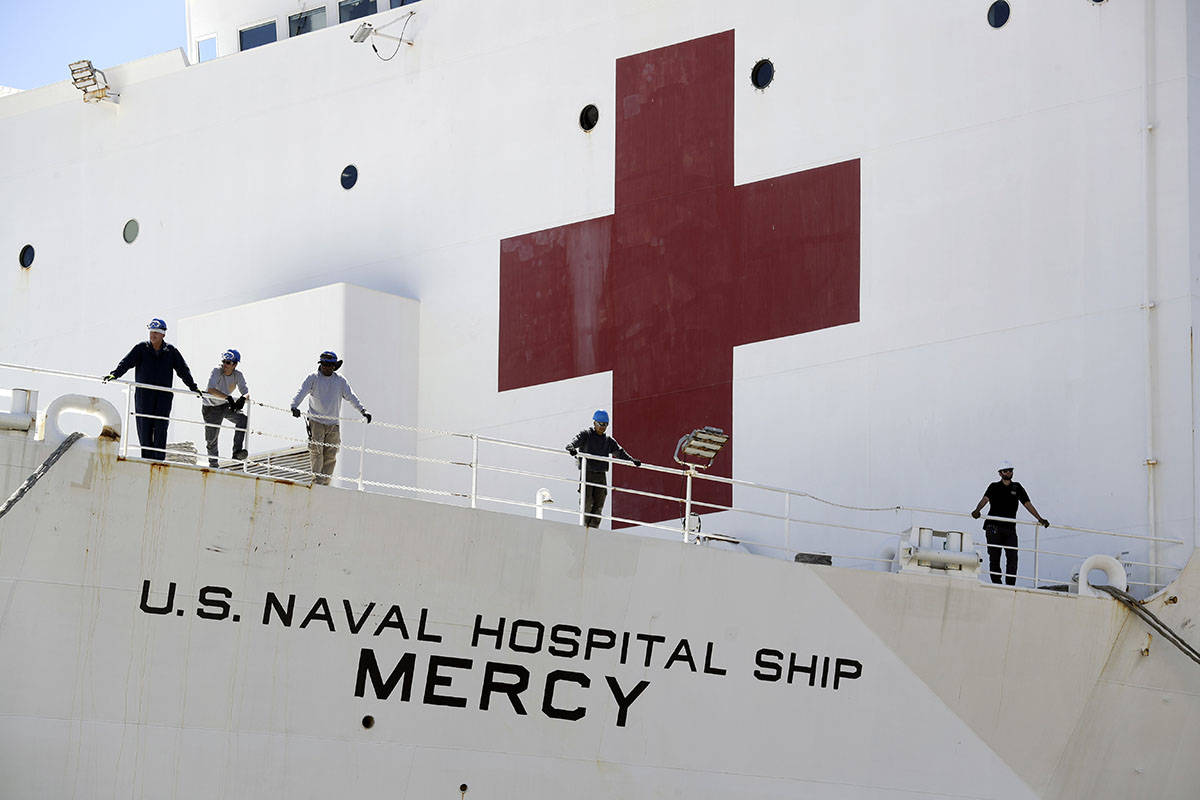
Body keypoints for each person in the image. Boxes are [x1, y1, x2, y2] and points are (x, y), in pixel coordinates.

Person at [103, 318, 202, 460]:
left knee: (161, 428)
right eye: (151, 332)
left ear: (163, 334)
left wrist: (193, 387)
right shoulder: (141, 348)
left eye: (156, 332)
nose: (153, 335)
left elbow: (183, 370)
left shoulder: (171, 351)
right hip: (144, 396)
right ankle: (147, 460)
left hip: (163, 397)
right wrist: (114, 374)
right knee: (145, 429)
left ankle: (159, 461)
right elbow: (126, 363)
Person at [290, 351, 371, 485]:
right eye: (324, 364)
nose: (326, 367)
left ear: (334, 366)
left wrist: (363, 410)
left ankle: (325, 483)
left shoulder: (340, 381)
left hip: (333, 424)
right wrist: (294, 406)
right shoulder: (313, 378)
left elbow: (351, 397)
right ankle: (317, 481)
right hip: (316, 421)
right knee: (317, 452)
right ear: (320, 365)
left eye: (329, 365)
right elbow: (302, 391)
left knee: (330, 455)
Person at [970, 460, 1050, 586]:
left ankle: (1010, 585)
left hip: (1010, 529)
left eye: (1010, 470)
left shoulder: (1017, 487)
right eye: (1006, 471)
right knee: (995, 557)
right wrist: (977, 510)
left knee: (1013, 557)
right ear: (1000, 473)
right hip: (993, 527)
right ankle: (997, 584)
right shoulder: (994, 486)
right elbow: (984, 500)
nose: (1009, 473)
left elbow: (1027, 504)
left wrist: (1040, 518)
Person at [565, 410, 640, 528]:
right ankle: (584, 527)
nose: (602, 427)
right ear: (594, 422)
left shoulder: (608, 441)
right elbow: (574, 442)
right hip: (587, 473)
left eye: (605, 425)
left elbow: (619, 452)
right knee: (587, 501)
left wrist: (632, 460)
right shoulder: (586, 435)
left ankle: (594, 529)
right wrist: (571, 447)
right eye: (600, 424)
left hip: (601, 475)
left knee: (599, 502)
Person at [201, 349, 250, 468]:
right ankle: (213, 465)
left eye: (228, 362)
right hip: (211, 407)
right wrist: (228, 398)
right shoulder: (217, 370)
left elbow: (246, 392)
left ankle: (236, 452)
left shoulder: (238, 375)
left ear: (235, 364)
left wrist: (242, 399)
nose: (225, 365)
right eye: (224, 361)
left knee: (242, 419)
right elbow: (210, 390)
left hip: (224, 405)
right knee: (212, 439)